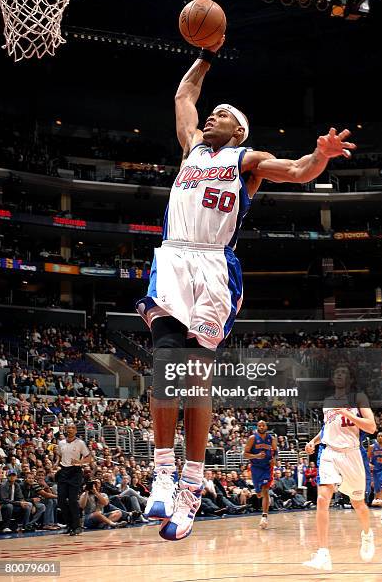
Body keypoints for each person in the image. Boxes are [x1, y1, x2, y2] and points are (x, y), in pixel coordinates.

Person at [136, 36, 356, 542]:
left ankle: (194, 481)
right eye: (210, 114)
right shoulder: (191, 148)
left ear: (239, 130)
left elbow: (299, 171)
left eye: (221, 115)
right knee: (166, 360)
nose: (210, 117)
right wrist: (207, 55)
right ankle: (165, 473)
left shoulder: (246, 161)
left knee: (195, 377)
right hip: (174, 256)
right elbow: (183, 97)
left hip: (214, 267)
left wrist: (320, 155)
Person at [303, 363, 376, 572]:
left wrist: (349, 414)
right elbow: (327, 428)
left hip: (352, 454)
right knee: (322, 498)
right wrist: (314, 442)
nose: (339, 374)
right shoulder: (327, 402)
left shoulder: (359, 398)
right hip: (329, 453)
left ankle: (367, 535)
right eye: (336, 372)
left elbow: (371, 427)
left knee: (358, 503)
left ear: (350, 379)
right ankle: (323, 553)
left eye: (344, 372)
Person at [55, 423, 91, 536]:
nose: (70, 429)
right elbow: (59, 456)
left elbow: (89, 457)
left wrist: (80, 462)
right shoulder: (61, 443)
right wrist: (55, 463)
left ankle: (77, 526)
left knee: (72, 500)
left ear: (75, 430)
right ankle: (69, 524)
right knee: (60, 500)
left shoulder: (80, 443)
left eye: (72, 428)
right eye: (68, 428)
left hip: (75, 472)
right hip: (63, 471)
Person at [244, 420, 277, 529]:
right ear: (257, 427)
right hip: (255, 468)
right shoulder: (252, 438)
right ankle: (263, 499)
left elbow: (275, 452)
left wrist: (274, 459)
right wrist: (256, 456)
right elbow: (245, 454)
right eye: (259, 425)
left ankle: (264, 516)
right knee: (259, 494)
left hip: (267, 468)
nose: (261, 427)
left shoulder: (271, 439)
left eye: (263, 425)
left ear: (266, 426)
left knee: (266, 490)